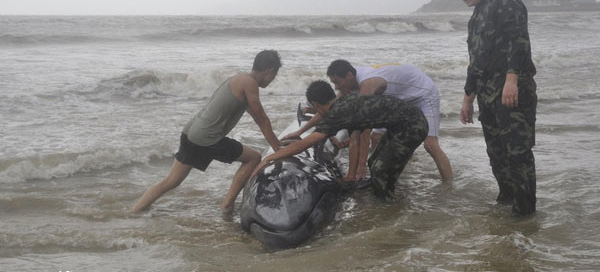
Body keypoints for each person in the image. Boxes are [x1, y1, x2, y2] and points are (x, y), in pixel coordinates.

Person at [132, 50, 282, 213]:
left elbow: (256, 116)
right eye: (274, 76)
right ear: (270, 71)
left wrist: (277, 144)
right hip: (207, 137)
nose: (272, 80)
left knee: (171, 181)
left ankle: (135, 211)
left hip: (191, 132)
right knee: (253, 158)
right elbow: (262, 120)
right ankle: (227, 204)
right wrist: (279, 150)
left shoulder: (239, 79)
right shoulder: (249, 83)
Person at [453, 0, 537, 216]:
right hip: (487, 97)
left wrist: (511, 79)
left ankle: (525, 214)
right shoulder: (475, 18)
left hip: (512, 92)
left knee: (517, 154)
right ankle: (506, 202)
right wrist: (468, 99)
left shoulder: (505, 3)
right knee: (496, 154)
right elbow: (475, 62)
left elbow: (518, 41)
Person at [255, 80, 428, 200]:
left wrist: (271, 157)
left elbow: (307, 143)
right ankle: (380, 191)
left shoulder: (339, 113)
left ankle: (387, 205)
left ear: (315, 104)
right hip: (406, 121)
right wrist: (350, 177)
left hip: (411, 126)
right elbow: (354, 139)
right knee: (373, 161)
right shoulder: (344, 102)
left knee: (381, 171)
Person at [284, 61, 453, 181]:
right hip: (398, 100)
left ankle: (449, 184)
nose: (336, 87)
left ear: (349, 75)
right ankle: (400, 167)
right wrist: (300, 131)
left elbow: (363, 131)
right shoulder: (350, 82)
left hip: (422, 94)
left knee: (430, 144)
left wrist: (358, 171)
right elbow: (329, 110)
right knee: (377, 138)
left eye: (337, 82)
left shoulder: (367, 86)